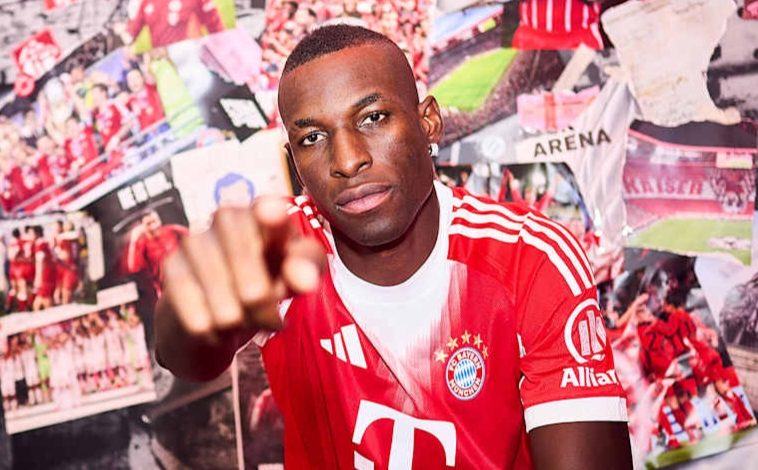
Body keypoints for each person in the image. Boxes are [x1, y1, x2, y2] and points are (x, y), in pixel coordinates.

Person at [156, 25, 632, 468]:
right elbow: (186, 357)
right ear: (294, 162)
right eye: (313, 137)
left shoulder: (529, 257)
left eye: (373, 118)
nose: (347, 160)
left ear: (428, 123)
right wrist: (190, 306)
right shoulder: (282, 249)